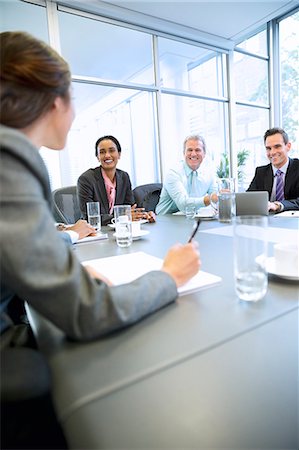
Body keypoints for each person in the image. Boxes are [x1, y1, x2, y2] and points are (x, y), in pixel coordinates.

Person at [0, 30, 200, 449]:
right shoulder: (10, 163)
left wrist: (63, 260)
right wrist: (169, 276)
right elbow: (87, 314)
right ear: (55, 100)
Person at [77, 135, 156, 225]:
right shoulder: (86, 179)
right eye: (102, 152)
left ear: (119, 154)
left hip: (121, 229)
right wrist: (122, 217)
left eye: (112, 150)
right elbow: (89, 217)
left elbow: (130, 208)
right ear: (98, 157)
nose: (107, 155)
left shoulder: (124, 177)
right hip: (96, 232)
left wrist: (143, 215)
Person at [156, 134, 218, 215]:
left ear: (204, 153)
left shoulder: (209, 173)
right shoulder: (173, 173)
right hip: (166, 220)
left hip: (192, 219)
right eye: (190, 150)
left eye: (198, 150)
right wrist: (210, 199)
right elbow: (184, 205)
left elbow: (216, 198)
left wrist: (222, 198)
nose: (193, 154)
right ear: (184, 153)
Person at [247, 127, 299, 212]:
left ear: (288, 146)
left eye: (277, 146)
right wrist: (229, 197)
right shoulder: (261, 172)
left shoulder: (297, 167)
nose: (272, 152)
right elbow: (249, 198)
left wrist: (278, 205)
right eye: (268, 148)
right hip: (267, 221)